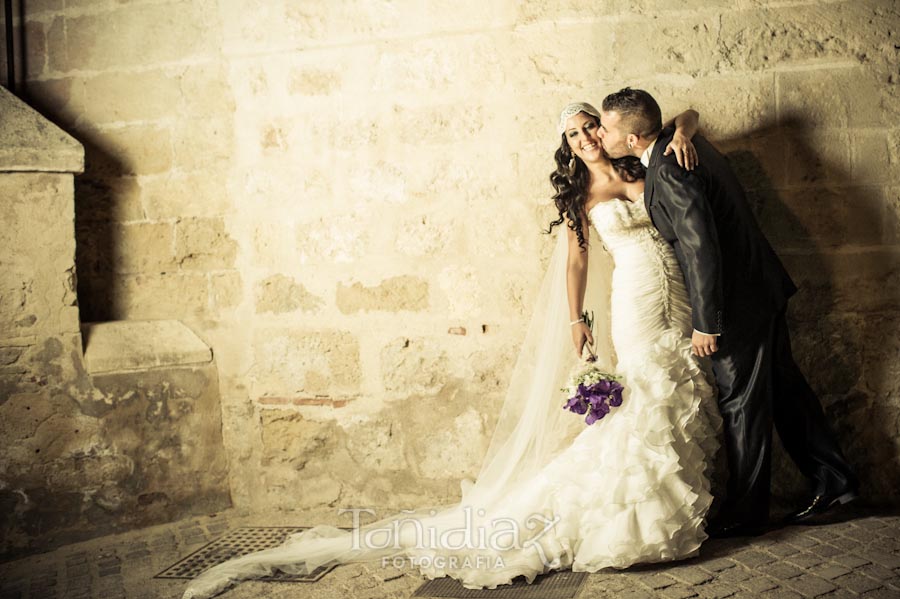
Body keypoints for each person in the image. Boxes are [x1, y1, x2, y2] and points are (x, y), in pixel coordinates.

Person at [182, 103, 720, 598]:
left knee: (673, 376)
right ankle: (637, 514)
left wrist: (683, 133)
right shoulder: (581, 196)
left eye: (589, 126)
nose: (585, 138)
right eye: (573, 135)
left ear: (606, 126)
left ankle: (675, 498)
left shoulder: (640, 163)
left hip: (676, 289)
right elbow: (577, 261)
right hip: (634, 298)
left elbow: (686, 117)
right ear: (568, 145)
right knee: (648, 384)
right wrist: (577, 319)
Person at [597, 88, 859, 537]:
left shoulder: (669, 166)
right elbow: (688, 116)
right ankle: (835, 481)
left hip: (738, 303)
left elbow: (701, 246)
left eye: (606, 128)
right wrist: (685, 126)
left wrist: (707, 322)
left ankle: (746, 512)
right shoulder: (680, 142)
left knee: (741, 403)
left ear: (634, 138)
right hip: (760, 290)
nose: (601, 135)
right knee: (785, 389)